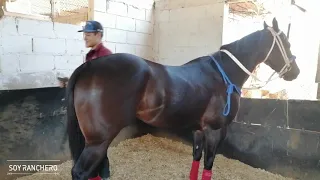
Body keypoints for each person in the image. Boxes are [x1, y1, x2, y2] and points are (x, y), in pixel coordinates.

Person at [58, 20, 113, 88]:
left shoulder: (105, 55)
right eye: (84, 35)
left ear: (98, 35)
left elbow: (102, 82)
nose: (85, 38)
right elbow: (87, 77)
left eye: (88, 35)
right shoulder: (90, 55)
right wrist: (70, 81)